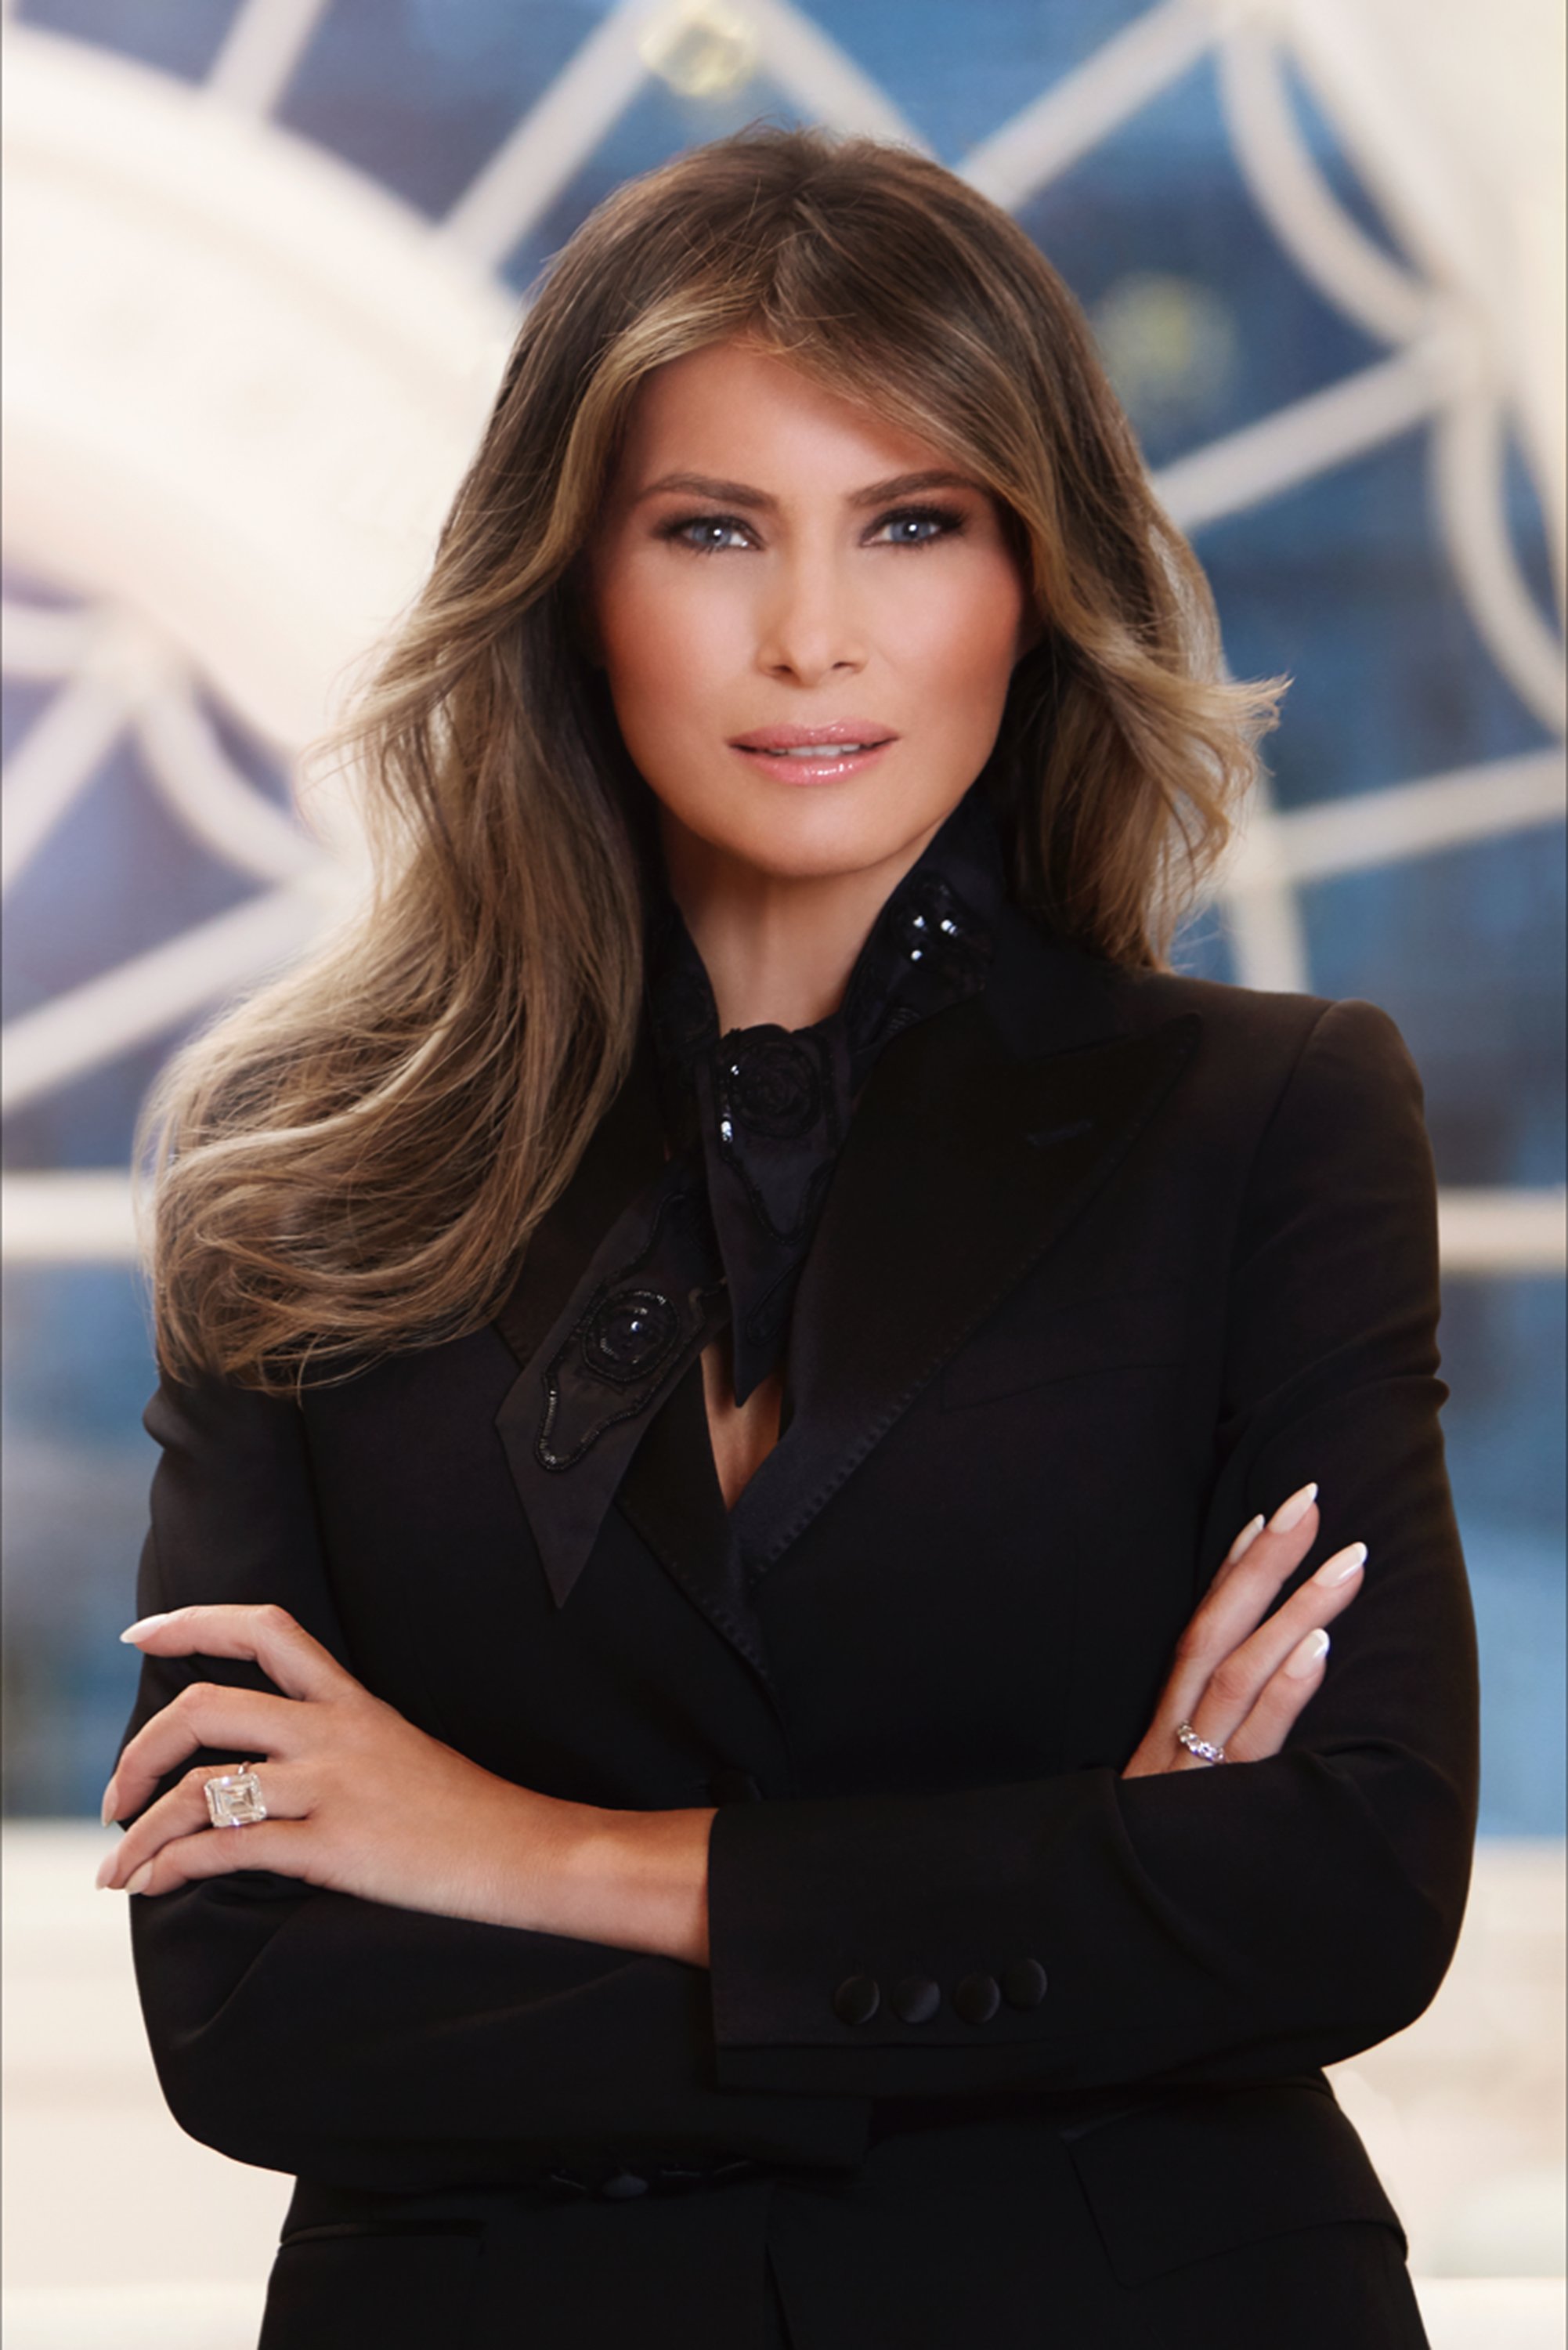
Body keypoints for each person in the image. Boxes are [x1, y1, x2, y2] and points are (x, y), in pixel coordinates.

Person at [99, 126, 1477, 2349]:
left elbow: (1334, 1899)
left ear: (1032, 580)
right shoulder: (302, 1172)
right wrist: (1058, 1909)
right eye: (712, 529)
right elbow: (254, 2008)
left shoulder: (1272, 1122)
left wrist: (517, 1853)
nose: (813, 635)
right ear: (572, 577)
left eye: (911, 524)